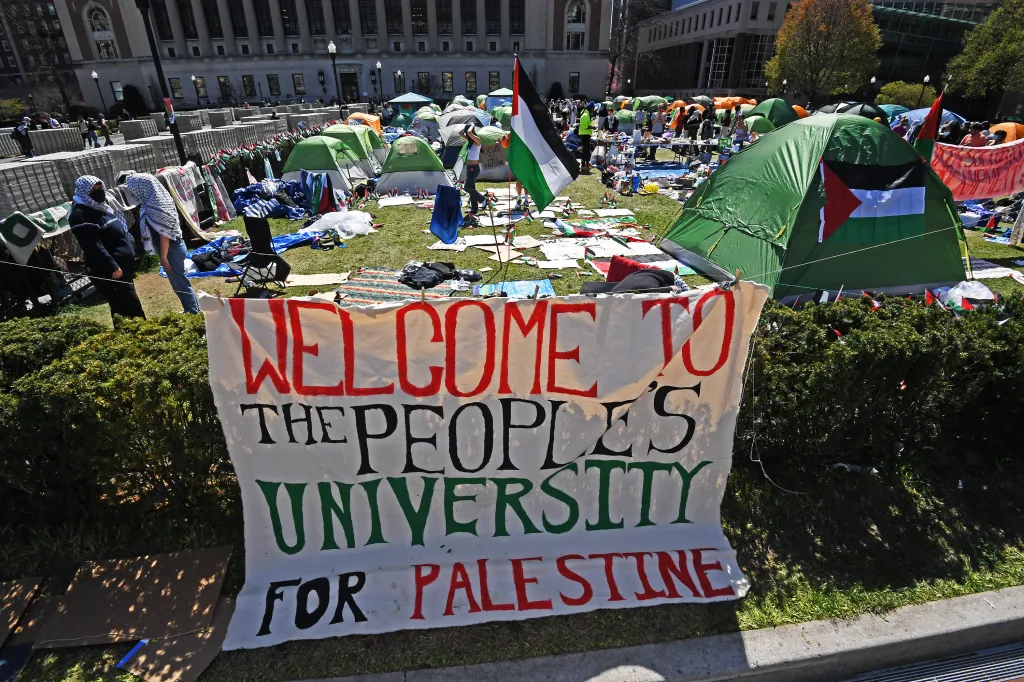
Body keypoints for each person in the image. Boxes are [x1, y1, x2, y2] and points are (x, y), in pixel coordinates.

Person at [68, 175, 145, 322]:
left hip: (122, 269)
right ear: (85, 191)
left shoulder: (99, 208)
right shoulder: (80, 214)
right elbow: (92, 245)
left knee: (127, 304)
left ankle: (135, 334)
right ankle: (137, 335)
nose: (100, 191)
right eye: (95, 189)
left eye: (101, 187)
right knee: (126, 306)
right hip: (111, 272)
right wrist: (112, 266)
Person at [124, 174, 199, 314]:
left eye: (134, 188)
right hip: (173, 248)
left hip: (171, 250)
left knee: (180, 283)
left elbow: (164, 233)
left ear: (142, 188)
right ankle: (190, 309)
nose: (133, 192)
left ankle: (193, 312)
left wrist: (163, 256)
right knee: (178, 282)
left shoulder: (154, 205)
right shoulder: (158, 199)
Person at [462, 125, 485, 218]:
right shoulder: (471, 141)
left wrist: (472, 125)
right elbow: (461, 133)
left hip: (474, 168)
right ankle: (474, 208)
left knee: (467, 188)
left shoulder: (478, 141)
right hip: (469, 168)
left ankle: (483, 199)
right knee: (471, 188)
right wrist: (465, 127)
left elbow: (469, 133)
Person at [578, 101, 594, 171]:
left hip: (586, 134)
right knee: (585, 150)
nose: (593, 110)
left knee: (587, 149)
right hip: (584, 134)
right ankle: (584, 163)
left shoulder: (587, 114)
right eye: (593, 108)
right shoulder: (585, 115)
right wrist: (592, 127)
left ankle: (586, 162)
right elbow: (584, 126)